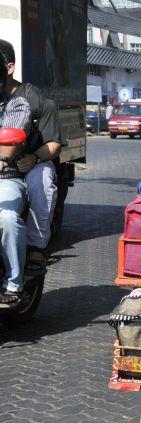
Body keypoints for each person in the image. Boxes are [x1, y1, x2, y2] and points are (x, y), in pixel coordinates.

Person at [0, 39, 62, 276]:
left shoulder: (35, 99)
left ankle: (36, 247)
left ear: (9, 67)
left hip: (28, 166)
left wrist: (34, 158)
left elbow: (54, 144)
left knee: (42, 178)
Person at [0, 51, 32, 306]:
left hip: (6, 177)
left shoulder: (16, 104)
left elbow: (10, 142)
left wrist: (2, 158)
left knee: (6, 218)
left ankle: (13, 283)